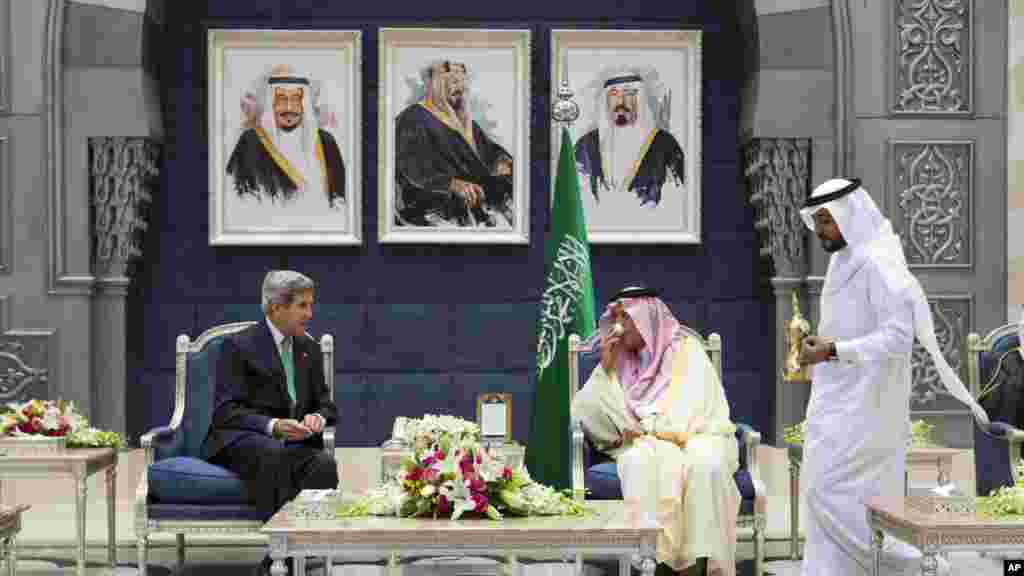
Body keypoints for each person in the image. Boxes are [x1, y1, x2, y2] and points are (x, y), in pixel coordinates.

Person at [796, 178, 990, 575]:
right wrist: (826, 347)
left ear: (849, 216)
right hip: (836, 394)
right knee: (821, 488)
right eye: (816, 221)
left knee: (837, 493)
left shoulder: (878, 262)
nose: (819, 231)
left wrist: (834, 350)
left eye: (826, 221)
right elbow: (850, 325)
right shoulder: (842, 257)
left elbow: (899, 338)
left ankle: (910, 564)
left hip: (869, 403)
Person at [571, 286, 740, 576]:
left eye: (628, 318)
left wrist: (653, 427)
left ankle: (701, 566)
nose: (620, 327)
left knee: (705, 468)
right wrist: (607, 365)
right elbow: (586, 412)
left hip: (699, 436)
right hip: (646, 444)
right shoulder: (619, 357)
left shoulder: (688, 351)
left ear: (648, 319)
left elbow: (695, 406)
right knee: (640, 462)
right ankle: (652, 563)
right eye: (617, 318)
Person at [204, 270, 338, 574]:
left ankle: (293, 555)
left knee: (324, 464)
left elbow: (327, 405)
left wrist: (317, 417)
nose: (310, 314)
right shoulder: (238, 347)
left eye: (310, 305)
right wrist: (273, 426)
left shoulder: (309, 349)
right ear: (276, 307)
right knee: (274, 454)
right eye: (302, 306)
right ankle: (282, 554)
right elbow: (226, 411)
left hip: (293, 441)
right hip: (241, 438)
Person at [393, 60, 514, 227]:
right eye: (453, 81)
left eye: (462, 81)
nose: (460, 88)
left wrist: (502, 161)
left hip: (479, 204)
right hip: (433, 209)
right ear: (432, 84)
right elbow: (412, 168)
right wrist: (451, 184)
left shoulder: (463, 121)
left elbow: (489, 152)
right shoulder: (412, 119)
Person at [226, 65, 346, 208]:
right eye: (281, 99)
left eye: (296, 99)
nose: (289, 108)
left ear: (305, 104)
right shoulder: (250, 141)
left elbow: (340, 198)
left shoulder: (327, 142)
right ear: (271, 103)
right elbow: (239, 199)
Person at [573, 70, 685, 208]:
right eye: (614, 94)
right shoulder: (585, 144)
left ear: (640, 99)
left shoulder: (665, 144)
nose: (621, 101)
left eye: (629, 93)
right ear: (606, 100)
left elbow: (680, 195)